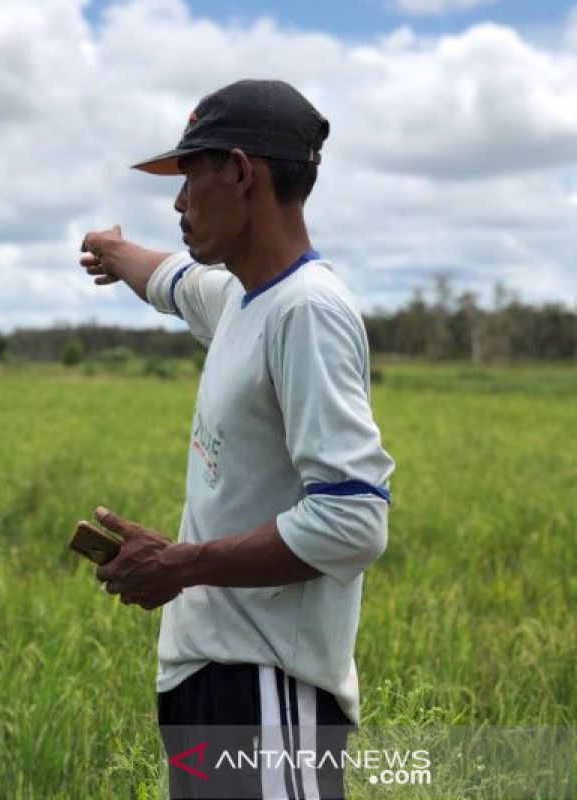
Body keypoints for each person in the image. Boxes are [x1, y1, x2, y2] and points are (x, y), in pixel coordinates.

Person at [79, 79, 394, 799]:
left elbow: (352, 520)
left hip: (267, 689)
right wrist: (112, 249)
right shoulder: (241, 299)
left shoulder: (307, 312)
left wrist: (183, 564)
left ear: (243, 173)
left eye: (191, 177)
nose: (179, 202)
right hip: (209, 680)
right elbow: (170, 280)